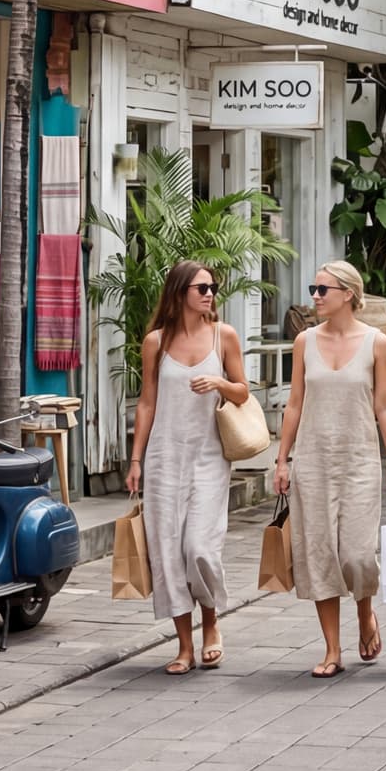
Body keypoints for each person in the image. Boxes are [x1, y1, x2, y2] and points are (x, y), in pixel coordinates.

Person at [273, 260, 386, 678]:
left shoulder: (376, 342)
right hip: (311, 461)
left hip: (360, 460)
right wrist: (282, 458)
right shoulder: (304, 342)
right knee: (318, 555)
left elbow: (384, 405)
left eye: (322, 289)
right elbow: (294, 403)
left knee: (358, 555)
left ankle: (365, 613)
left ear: (348, 294)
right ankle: (332, 649)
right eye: (314, 288)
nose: (314, 295)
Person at [125, 261, 250, 675]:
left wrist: (218, 384)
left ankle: (211, 624)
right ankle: (183, 646)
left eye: (213, 287)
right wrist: (136, 460)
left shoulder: (224, 336)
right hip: (164, 456)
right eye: (201, 288)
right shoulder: (156, 342)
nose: (210, 293)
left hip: (210, 456)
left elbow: (243, 392)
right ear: (180, 293)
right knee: (167, 553)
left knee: (199, 546)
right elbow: (146, 403)